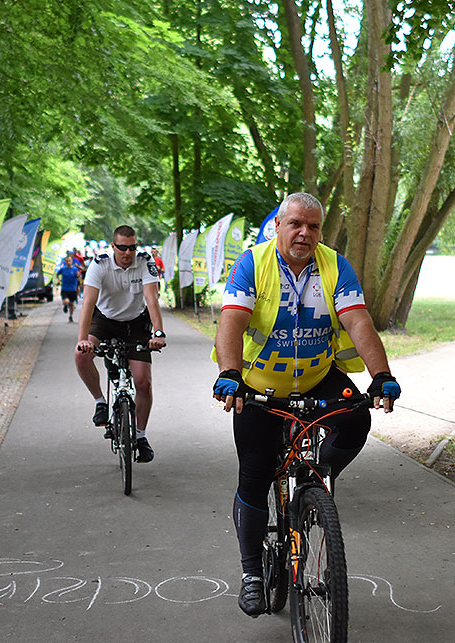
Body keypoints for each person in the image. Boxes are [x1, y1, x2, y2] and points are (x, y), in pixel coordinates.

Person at [211, 192, 401, 617]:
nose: (304, 233)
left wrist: (381, 375)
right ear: (278, 225)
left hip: (317, 375)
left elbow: (358, 321)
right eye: (295, 224)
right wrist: (230, 373)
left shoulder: (335, 266)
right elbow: (232, 320)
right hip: (260, 383)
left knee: (356, 418)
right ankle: (252, 574)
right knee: (255, 474)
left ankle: (318, 480)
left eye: (313, 226)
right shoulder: (253, 264)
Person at [74, 225, 167, 463]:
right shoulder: (100, 264)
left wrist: (158, 333)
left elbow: (152, 299)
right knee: (81, 356)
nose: (128, 253)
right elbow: (88, 303)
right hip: (105, 319)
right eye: (123, 248)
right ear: (113, 246)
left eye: (132, 247)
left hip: (136, 322)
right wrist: (83, 340)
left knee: (143, 382)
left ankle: (141, 436)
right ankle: (100, 402)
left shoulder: (145, 262)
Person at [54, 254, 83, 323]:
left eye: (69, 261)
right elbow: (57, 274)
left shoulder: (75, 269)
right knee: (66, 301)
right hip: (65, 288)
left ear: (72, 261)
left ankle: (70, 316)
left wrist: (78, 277)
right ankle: (65, 305)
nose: (68, 262)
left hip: (73, 289)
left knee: (72, 304)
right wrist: (59, 280)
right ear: (65, 262)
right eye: (67, 261)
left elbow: (78, 277)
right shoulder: (63, 269)